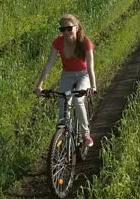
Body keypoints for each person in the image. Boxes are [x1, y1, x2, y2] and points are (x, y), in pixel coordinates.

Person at [35, 14, 97, 147]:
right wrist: (40, 84)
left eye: (69, 28)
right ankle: (64, 134)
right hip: (67, 75)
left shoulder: (85, 42)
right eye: (62, 29)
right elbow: (49, 64)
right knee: (63, 101)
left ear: (77, 27)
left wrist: (93, 86)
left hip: (83, 75)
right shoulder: (58, 42)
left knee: (77, 99)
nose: (66, 32)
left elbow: (91, 67)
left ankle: (86, 134)